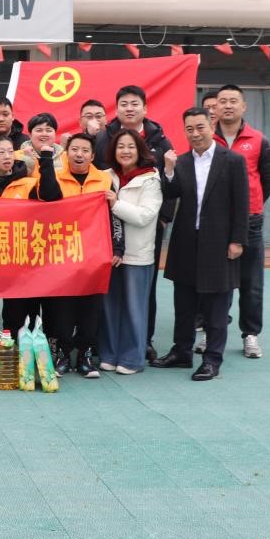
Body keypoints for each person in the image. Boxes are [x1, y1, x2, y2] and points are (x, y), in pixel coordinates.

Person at [151, 108, 249, 381]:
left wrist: (237, 240)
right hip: (186, 241)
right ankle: (181, 352)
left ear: (211, 126)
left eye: (200, 127)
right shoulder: (181, 161)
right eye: (189, 129)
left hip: (219, 242)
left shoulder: (232, 160)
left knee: (216, 306)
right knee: (184, 302)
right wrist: (168, 170)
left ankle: (212, 360)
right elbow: (170, 193)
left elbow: (242, 204)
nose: (195, 134)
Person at [94, 85, 175, 362]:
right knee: (110, 299)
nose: (129, 108)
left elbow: (169, 184)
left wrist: (163, 217)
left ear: (145, 108)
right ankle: (108, 350)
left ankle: (141, 346)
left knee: (140, 297)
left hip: (143, 237)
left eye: (134, 104)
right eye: (124, 104)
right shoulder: (104, 138)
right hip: (108, 243)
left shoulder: (159, 140)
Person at [0, 133, 63, 340]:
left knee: (17, 313)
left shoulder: (28, 184)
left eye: (10, 152)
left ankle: (13, 349)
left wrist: (46, 160)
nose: (7, 156)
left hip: (19, 259)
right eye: (1, 152)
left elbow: (52, 196)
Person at [46, 132, 122, 379]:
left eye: (85, 150)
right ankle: (63, 354)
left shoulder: (104, 180)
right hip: (62, 254)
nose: (79, 154)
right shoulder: (55, 178)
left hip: (94, 254)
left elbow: (114, 215)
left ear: (92, 155)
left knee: (91, 308)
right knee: (63, 308)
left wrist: (118, 247)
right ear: (66, 153)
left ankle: (85, 355)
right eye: (74, 149)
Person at [213, 84, 270, 360]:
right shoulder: (207, 138)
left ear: (243, 106)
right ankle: (212, 331)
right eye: (223, 101)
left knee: (251, 281)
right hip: (216, 220)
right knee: (216, 279)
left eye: (233, 101)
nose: (228, 106)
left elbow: (269, 178)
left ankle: (250, 334)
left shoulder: (259, 140)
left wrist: (251, 202)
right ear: (215, 107)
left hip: (250, 220)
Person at [99, 129, 163, 375]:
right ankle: (108, 354)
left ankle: (132, 359)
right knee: (110, 307)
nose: (125, 151)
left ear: (140, 150)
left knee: (134, 309)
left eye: (131, 146)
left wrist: (116, 204)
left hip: (138, 255)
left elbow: (145, 216)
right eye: (120, 146)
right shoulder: (106, 176)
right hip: (108, 254)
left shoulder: (150, 179)